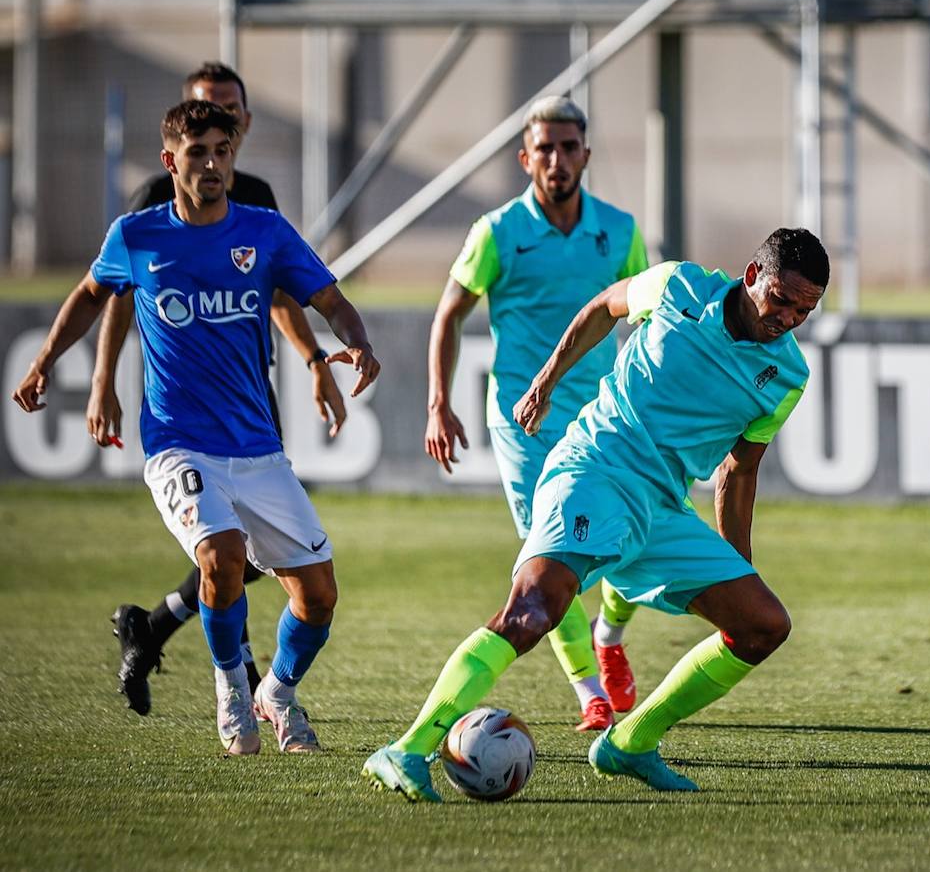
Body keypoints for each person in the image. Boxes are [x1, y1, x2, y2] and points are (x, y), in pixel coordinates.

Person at [364, 228, 827, 802]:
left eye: (804, 310)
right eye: (782, 299)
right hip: (595, 468)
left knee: (764, 624)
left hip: (660, 507)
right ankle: (407, 748)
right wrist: (547, 379)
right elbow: (603, 307)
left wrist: (739, 567)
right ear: (753, 276)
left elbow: (740, 468)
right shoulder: (679, 285)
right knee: (534, 610)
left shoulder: (788, 376)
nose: (788, 318)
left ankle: (630, 742)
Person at [12, 101, 381, 756]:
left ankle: (277, 692)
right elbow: (93, 296)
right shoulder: (137, 236)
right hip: (179, 443)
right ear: (170, 161)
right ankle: (232, 691)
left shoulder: (265, 231)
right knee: (221, 555)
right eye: (197, 153)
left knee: (319, 595)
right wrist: (46, 362)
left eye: (221, 151)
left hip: (258, 448)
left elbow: (328, 298)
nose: (212, 164)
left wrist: (356, 342)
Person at [95, 62, 347, 717]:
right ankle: (241, 684)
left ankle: (153, 628)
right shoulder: (151, 200)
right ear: (180, 130)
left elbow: (280, 289)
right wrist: (103, 380)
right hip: (183, 417)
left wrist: (315, 357)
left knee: (258, 556)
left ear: (244, 125)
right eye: (206, 112)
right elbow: (119, 293)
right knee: (225, 549)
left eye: (229, 114)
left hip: (250, 398)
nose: (219, 126)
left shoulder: (256, 200)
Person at [425, 96, 648, 731]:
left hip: (606, 419)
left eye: (567, 146)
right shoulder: (496, 233)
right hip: (523, 423)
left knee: (635, 542)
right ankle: (590, 694)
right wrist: (438, 403)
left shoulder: (622, 231)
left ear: (585, 154)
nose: (556, 159)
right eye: (543, 149)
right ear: (526, 159)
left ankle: (610, 634)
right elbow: (449, 315)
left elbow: (648, 313)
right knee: (549, 557)